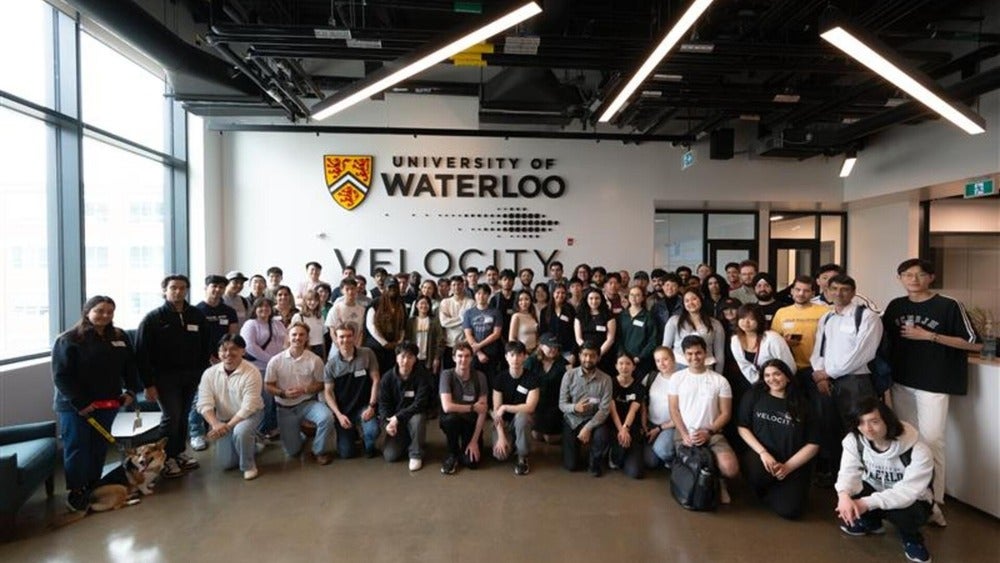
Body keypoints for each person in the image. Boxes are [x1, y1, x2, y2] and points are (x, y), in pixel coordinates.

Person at [883, 258, 979, 526]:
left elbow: (974, 344)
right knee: (905, 440)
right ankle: (911, 497)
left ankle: (935, 502)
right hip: (901, 382)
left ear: (931, 277)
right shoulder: (895, 306)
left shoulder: (948, 306)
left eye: (919, 274)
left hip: (934, 384)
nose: (913, 279)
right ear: (899, 278)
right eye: (907, 275)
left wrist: (930, 336)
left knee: (933, 441)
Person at [52, 295, 139, 511]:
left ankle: (93, 485)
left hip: (107, 404)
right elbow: (61, 376)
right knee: (78, 447)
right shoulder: (69, 339)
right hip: (76, 407)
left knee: (99, 446)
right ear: (88, 311)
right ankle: (77, 491)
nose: (105, 315)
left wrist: (130, 390)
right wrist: (81, 403)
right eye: (99, 311)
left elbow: (130, 366)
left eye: (109, 312)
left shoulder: (120, 337)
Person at [835, 398, 935, 563]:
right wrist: (843, 496)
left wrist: (865, 504)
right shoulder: (853, 440)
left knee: (903, 508)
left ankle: (912, 538)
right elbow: (848, 472)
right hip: (875, 490)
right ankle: (871, 523)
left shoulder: (918, 450)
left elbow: (908, 492)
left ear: (887, 420)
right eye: (861, 422)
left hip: (913, 501)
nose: (867, 429)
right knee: (848, 490)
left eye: (874, 421)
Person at [136, 274, 210, 478]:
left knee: (183, 416)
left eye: (182, 288)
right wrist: (148, 383)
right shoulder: (153, 319)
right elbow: (142, 354)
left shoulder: (196, 315)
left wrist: (202, 372)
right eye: (173, 287)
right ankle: (164, 458)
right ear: (164, 291)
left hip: (191, 376)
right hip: (164, 379)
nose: (178, 291)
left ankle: (178, 453)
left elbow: (206, 346)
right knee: (172, 417)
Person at [810, 274, 883, 466]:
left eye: (845, 289)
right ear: (827, 291)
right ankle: (838, 475)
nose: (839, 293)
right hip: (827, 382)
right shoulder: (826, 317)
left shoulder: (866, 317)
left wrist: (828, 373)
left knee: (860, 428)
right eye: (834, 289)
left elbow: (863, 353)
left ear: (853, 292)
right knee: (831, 429)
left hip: (855, 382)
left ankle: (865, 474)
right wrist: (820, 375)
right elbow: (819, 349)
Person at [737, 359, 820, 519]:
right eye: (767, 375)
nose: (772, 379)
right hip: (763, 457)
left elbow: (813, 444)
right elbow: (742, 427)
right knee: (758, 473)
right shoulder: (754, 395)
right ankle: (766, 488)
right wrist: (763, 453)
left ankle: (779, 490)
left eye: (777, 374)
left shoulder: (803, 404)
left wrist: (788, 467)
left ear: (787, 377)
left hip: (792, 462)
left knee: (791, 512)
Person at [668, 335, 739, 503]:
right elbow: (674, 409)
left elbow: (726, 413)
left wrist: (709, 432)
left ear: (705, 352)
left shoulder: (720, 381)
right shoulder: (677, 378)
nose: (694, 357)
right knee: (697, 463)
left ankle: (719, 481)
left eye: (698, 353)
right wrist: (684, 434)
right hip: (685, 432)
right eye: (690, 353)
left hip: (712, 432)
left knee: (731, 469)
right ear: (684, 355)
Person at [263, 323, 334, 465]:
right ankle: (298, 434)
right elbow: (268, 386)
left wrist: (306, 389)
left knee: (327, 417)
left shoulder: (315, 360)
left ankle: (318, 451)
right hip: (285, 408)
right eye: (294, 334)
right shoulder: (275, 361)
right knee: (293, 452)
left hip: (308, 404)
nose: (298, 338)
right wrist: (283, 393)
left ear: (307, 338)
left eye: (302, 335)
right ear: (288, 337)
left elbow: (321, 384)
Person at [196, 334, 264, 480]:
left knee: (241, 431)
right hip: (223, 419)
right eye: (223, 349)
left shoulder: (252, 372)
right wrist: (215, 424)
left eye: (233, 349)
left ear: (243, 351)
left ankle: (248, 465)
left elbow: (249, 406)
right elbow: (204, 402)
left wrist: (227, 427)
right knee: (227, 464)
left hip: (250, 415)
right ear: (218, 353)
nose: (228, 354)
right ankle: (254, 444)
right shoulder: (209, 373)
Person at [191, 275, 239, 452]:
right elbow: (195, 340)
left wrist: (227, 358)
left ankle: (222, 427)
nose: (217, 290)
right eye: (214, 286)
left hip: (226, 360)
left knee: (226, 395)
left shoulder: (229, 311)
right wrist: (211, 358)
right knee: (200, 398)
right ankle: (196, 433)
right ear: (206, 287)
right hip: (203, 361)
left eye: (221, 287)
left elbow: (233, 337)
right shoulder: (196, 311)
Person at [323, 322, 380, 459]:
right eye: (341, 337)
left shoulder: (367, 354)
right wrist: (338, 415)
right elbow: (328, 393)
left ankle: (368, 444)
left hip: (364, 407)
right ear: (336, 339)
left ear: (354, 337)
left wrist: (372, 406)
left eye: (349, 336)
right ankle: (352, 433)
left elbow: (376, 380)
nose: (345, 340)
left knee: (372, 431)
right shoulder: (330, 365)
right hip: (344, 411)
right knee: (346, 454)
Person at [559, 341, 613, 476]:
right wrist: (575, 407)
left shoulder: (606, 379)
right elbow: (562, 404)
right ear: (579, 356)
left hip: (594, 420)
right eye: (584, 355)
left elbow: (604, 410)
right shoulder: (569, 375)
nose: (588, 359)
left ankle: (594, 463)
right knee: (571, 466)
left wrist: (588, 427)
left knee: (602, 434)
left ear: (598, 358)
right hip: (572, 419)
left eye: (592, 356)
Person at [379, 342, 432, 471]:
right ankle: (409, 439)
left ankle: (416, 453)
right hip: (395, 420)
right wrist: (388, 424)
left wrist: (398, 417)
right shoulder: (387, 378)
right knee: (390, 456)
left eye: (410, 357)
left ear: (415, 359)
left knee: (418, 419)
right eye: (402, 356)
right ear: (396, 358)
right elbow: (383, 404)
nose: (405, 361)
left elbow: (420, 403)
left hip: (414, 415)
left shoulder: (423, 376)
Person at [240, 297, 287, 440]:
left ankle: (272, 428)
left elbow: (286, 341)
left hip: (278, 367)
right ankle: (260, 432)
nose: (264, 309)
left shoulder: (277, 323)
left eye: (267, 306)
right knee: (264, 401)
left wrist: (282, 360)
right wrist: (272, 360)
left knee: (275, 400)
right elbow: (250, 346)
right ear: (255, 309)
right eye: (261, 306)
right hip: (259, 368)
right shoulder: (251, 324)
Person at [438, 343, 489, 474]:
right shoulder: (446, 375)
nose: (463, 360)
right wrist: (472, 407)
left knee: (472, 463)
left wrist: (474, 441)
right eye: (460, 356)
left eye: (467, 356)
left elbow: (482, 411)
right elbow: (447, 407)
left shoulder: (480, 377)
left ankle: (465, 449)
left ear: (472, 358)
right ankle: (452, 453)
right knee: (451, 420)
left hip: (471, 422)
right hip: (453, 419)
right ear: (454, 358)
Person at [491, 341, 540, 475]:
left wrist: (506, 407)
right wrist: (501, 436)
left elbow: (530, 407)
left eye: (519, 355)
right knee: (500, 455)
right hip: (504, 423)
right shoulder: (499, 378)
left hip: (522, 420)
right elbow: (496, 411)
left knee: (522, 416)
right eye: (512, 355)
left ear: (525, 357)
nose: (515, 359)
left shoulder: (532, 378)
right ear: (506, 357)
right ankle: (512, 441)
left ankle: (522, 456)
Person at [731, 303, 796, 387]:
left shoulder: (772, 338)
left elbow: (789, 366)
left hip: (782, 383)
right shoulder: (735, 340)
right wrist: (760, 385)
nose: (746, 322)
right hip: (758, 384)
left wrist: (776, 384)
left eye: (751, 319)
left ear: (759, 320)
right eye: (742, 318)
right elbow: (744, 366)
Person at [663, 288, 727, 370]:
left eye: (694, 299)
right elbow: (665, 349)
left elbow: (719, 354)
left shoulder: (715, 324)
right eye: (687, 301)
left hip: (705, 367)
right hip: (679, 367)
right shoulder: (674, 321)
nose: (691, 303)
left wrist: (718, 375)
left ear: (701, 300)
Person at [608, 354, 647, 479]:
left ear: (633, 367)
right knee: (617, 460)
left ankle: (625, 454)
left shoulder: (639, 387)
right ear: (616, 366)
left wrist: (626, 428)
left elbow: (633, 410)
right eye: (621, 363)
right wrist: (621, 429)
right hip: (614, 425)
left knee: (636, 473)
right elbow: (612, 409)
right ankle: (613, 453)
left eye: (628, 364)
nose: (624, 367)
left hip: (631, 426)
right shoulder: (610, 383)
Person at [526, 334, 568, 444]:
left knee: (549, 439)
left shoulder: (563, 363)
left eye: (555, 347)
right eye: (550, 346)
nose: (553, 349)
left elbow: (569, 385)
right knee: (537, 436)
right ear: (541, 346)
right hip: (536, 403)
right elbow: (524, 382)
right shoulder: (532, 361)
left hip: (554, 405)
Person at [643, 347, 676, 470]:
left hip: (670, 426)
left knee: (663, 451)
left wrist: (659, 429)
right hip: (651, 424)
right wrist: (644, 423)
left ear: (673, 359)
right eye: (658, 361)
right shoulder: (651, 377)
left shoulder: (681, 380)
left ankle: (675, 461)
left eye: (665, 359)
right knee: (650, 462)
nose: (661, 363)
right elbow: (642, 402)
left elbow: (684, 413)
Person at [365, 278, 406, 374]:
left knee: (393, 373)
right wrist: (384, 343)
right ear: (384, 288)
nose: (393, 290)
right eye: (390, 287)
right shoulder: (375, 303)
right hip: (376, 347)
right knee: (376, 374)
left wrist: (399, 342)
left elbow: (403, 325)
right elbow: (371, 326)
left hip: (394, 348)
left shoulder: (400, 304)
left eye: (395, 287)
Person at [463, 283, 504, 378]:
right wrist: (479, 352)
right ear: (475, 295)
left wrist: (479, 346)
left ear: (489, 295)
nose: (481, 296)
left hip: (492, 353)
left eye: (484, 293)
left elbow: (496, 334)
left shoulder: (496, 312)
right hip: (474, 354)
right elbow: (468, 335)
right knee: (475, 380)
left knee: (491, 380)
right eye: (478, 293)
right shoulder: (468, 313)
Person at [617, 285, 658, 378]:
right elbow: (617, 338)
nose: (634, 298)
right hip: (623, 361)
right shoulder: (622, 316)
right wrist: (622, 355)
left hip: (641, 361)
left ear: (643, 298)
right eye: (631, 295)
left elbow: (653, 341)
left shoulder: (648, 317)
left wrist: (640, 357)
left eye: (637, 295)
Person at [575, 288, 617, 374]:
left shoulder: (608, 315)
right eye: (591, 298)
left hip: (604, 354)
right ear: (586, 300)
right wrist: (587, 353)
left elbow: (610, 339)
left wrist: (598, 354)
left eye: (597, 298)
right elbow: (578, 338)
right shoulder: (580, 315)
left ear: (601, 299)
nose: (594, 301)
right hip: (585, 355)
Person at [438, 275, 473, 370]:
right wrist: (463, 319)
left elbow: (471, 323)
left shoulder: (471, 303)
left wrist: (452, 320)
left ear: (463, 285)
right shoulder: (445, 302)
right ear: (450, 287)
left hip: (466, 343)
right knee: (449, 372)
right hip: (449, 344)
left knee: (465, 371)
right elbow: (444, 322)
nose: (456, 287)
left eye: (459, 284)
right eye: (454, 285)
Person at [539, 282, 577, 365]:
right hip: (550, 351)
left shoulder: (570, 310)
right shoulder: (545, 311)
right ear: (553, 294)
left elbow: (575, 332)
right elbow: (542, 332)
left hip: (567, 350)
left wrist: (573, 353)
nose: (560, 295)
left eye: (563, 293)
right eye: (558, 293)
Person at [406, 295, 443, 374]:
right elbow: (407, 340)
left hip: (430, 358)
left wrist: (436, 358)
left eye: (426, 304)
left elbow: (440, 341)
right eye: (421, 303)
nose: (424, 306)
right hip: (413, 358)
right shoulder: (410, 322)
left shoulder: (435, 321)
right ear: (416, 305)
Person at [326, 277, 365, 349]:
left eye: (353, 288)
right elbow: (332, 332)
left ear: (356, 289)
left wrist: (356, 348)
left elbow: (361, 332)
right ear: (342, 291)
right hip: (337, 348)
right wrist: (340, 348)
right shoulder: (335, 309)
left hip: (356, 347)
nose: (350, 292)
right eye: (347, 289)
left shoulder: (362, 310)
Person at [291, 289, 326, 358]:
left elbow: (322, 336)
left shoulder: (320, 317)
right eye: (309, 300)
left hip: (319, 348)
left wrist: (324, 353)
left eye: (315, 300)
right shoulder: (298, 317)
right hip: (305, 347)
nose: (313, 302)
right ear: (305, 301)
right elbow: (292, 335)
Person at [488, 269, 517, 340]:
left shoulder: (518, 297)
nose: (507, 282)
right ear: (500, 281)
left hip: (516, 333)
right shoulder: (494, 299)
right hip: (498, 335)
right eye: (505, 279)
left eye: (510, 280)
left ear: (513, 282)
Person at [508, 289, 539, 354]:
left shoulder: (533, 315)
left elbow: (536, 334)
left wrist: (537, 349)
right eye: (520, 300)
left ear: (530, 301)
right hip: (522, 353)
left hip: (534, 352)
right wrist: (521, 352)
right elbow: (512, 338)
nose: (524, 302)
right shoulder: (516, 316)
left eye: (526, 299)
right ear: (517, 302)